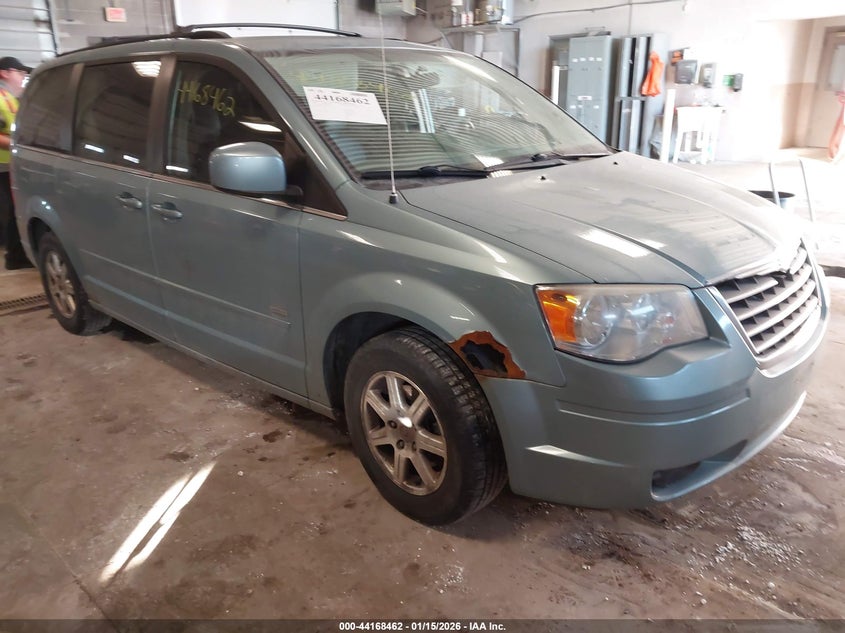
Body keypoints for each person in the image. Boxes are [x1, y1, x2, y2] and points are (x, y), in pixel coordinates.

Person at [0, 55, 33, 269]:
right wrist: (18, 145)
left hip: (12, 164)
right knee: (13, 209)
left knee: (15, 208)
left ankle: (17, 253)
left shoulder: (10, 98)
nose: (22, 77)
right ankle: (15, 257)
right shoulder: (1, 99)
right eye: (19, 72)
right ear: (5, 73)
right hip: (4, 166)